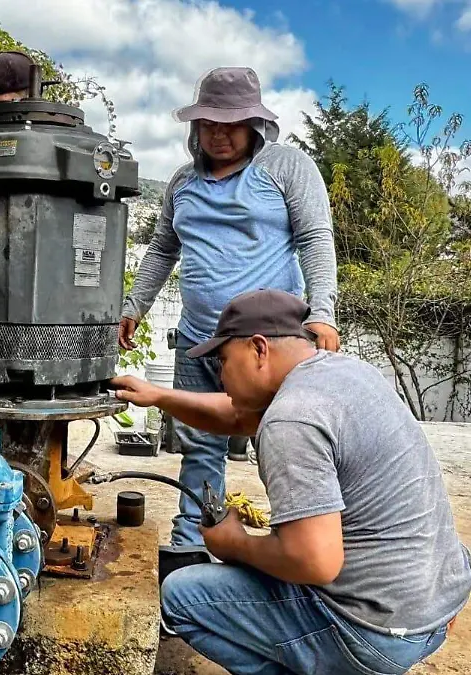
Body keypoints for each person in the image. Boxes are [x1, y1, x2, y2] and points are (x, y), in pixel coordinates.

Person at [111, 289, 471, 675]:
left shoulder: (291, 418)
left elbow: (315, 562)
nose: (220, 376)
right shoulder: (345, 373)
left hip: (373, 632)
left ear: (259, 349)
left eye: (223, 360)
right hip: (433, 608)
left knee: (184, 596)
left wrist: (235, 543)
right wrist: (158, 396)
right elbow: (237, 417)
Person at [119, 67, 339, 548]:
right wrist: (134, 304)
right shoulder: (182, 182)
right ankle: (194, 541)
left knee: (283, 443)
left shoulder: (286, 168)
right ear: (194, 126)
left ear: (254, 125)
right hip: (200, 341)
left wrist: (322, 311)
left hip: (268, 349)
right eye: (208, 123)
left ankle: (301, 544)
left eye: (231, 123)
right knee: (200, 445)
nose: (218, 133)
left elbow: (316, 239)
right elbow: (161, 249)